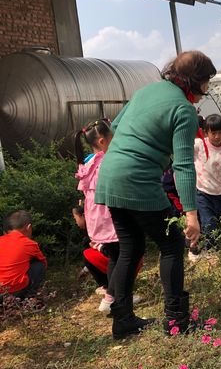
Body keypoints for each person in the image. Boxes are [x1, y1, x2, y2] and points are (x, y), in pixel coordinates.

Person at [95, 50, 216, 339]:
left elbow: (114, 127)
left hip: (110, 175)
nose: (206, 90)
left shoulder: (146, 90)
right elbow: (184, 166)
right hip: (137, 179)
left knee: (130, 247)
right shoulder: (184, 110)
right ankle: (177, 322)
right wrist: (191, 214)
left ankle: (123, 320)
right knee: (172, 244)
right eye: (206, 82)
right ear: (193, 81)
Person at [74, 119, 121, 312]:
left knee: (115, 257)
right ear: (102, 141)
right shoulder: (106, 162)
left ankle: (114, 295)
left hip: (96, 217)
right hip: (108, 216)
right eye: (112, 137)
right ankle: (111, 298)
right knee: (120, 258)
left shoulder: (88, 162)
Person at [71, 205, 142, 312]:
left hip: (130, 260)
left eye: (76, 218)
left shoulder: (100, 229)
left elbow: (110, 252)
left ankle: (116, 294)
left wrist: (99, 247)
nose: (76, 222)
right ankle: (115, 293)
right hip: (131, 258)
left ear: (83, 216)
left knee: (92, 255)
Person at [191, 113, 221, 260]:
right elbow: (182, 149)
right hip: (202, 193)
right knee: (209, 223)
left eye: (220, 132)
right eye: (214, 133)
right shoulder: (199, 145)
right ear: (206, 132)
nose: (217, 136)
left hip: (220, 192)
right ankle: (210, 251)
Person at [0, 210, 47, 299]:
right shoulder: (29, 243)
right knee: (39, 266)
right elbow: (44, 264)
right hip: (13, 291)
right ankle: (30, 299)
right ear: (29, 227)